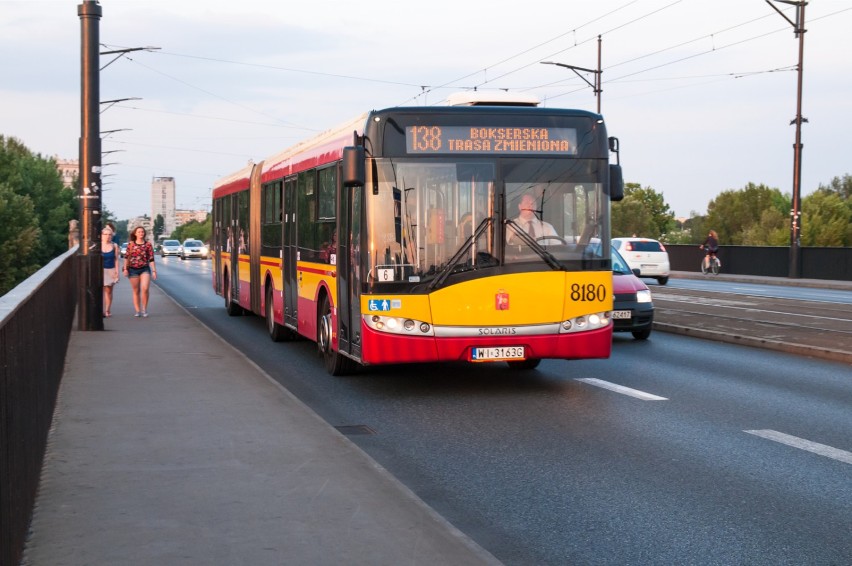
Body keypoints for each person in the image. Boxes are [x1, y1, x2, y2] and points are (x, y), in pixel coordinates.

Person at [122, 225, 157, 317]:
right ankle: (137, 310)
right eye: (139, 232)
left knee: (145, 288)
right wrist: (125, 269)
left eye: (142, 232)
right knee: (136, 290)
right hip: (133, 269)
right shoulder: (131, 244)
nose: (141, 233)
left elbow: (151, 258)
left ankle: (144, 309)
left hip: (144, 268)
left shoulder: (148, 244)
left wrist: (154, 271)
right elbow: (126, 257)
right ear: (135, 234)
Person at [101, 224, 120, 318]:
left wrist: (117, 273)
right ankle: (101, 309)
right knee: (100, 290)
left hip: (110, 269)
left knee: (108, 291)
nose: (108, 236)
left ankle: (107, 309)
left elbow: (116, 260)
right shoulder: (97, 246)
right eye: (105, 234)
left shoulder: (114, 246)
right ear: (102, 235)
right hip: (100, 270)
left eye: (110, 235)